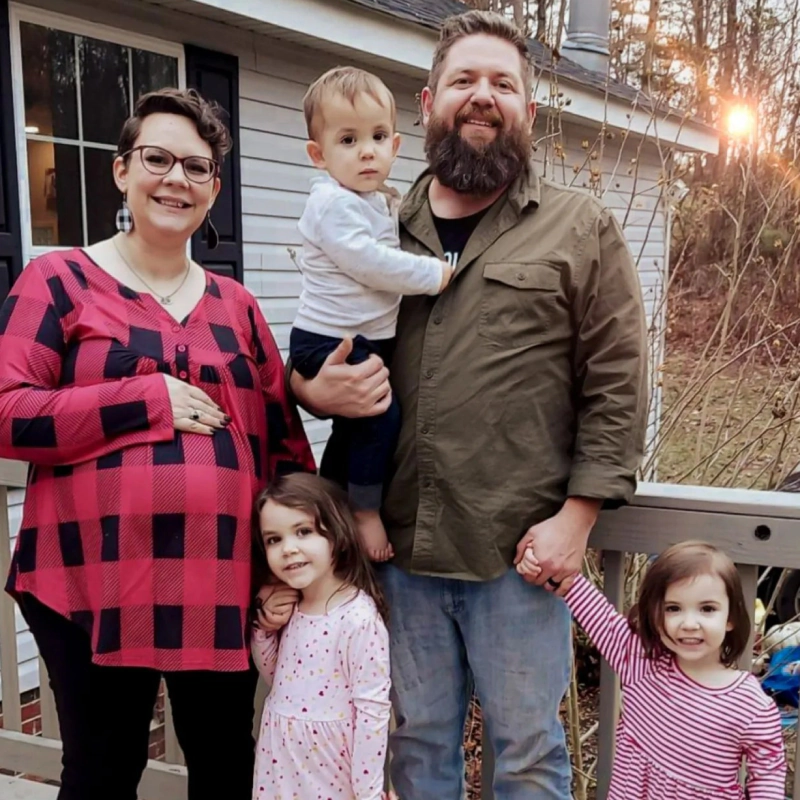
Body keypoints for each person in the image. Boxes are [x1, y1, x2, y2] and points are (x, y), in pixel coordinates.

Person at [290, 10, 648, 799]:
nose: (482, 97)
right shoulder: (380, 221)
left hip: (517, 550)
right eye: (463, 81)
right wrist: (307, 388)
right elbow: (318, 339)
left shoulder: (578, 228)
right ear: (428, 104)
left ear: (527, 108)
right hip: (397, 547)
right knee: (416, 746)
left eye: (503, 84)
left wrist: (577, 518)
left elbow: (618, 383)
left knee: (526, 752)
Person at [0, 88, 314, 800]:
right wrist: (145, 399)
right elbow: (8, 411)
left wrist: (290, 563)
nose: (176, 178)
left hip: (221, 581)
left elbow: (284, 447)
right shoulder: (58, 282)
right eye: (157, 159)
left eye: (196, 168)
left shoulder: (237, 306)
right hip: (90, 579)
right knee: (105, 771)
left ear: (213, 190)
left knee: (226, 766)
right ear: (122, 171)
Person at [290, 66, 452, 561]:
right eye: (348, 139)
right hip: (328, 340)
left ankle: (330, 493)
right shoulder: (333, 204)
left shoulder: (379, 200)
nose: (367, 151)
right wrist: (435, 274)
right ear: (319, 155)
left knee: (354, 426)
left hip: (364, 337)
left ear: (396, 145)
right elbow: (370, 264)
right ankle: (363, 511)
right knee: (381, 416)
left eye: (378, 137)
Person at [518, 541, 787, 798]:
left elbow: (767, 773)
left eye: (707, 609)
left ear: (730, 618)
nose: (689, 623)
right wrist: (548, 563)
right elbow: (596, 611)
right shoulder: (641, 663)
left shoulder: (751, 706)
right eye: (673, 608)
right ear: (655, 616)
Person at [251, 472, 392, 800]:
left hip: (329, 766)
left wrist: (368, 793)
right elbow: (278, 679)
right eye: (274, 539)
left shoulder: (358, 618)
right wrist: (264, 632)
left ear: (337, 533)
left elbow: (372, 712)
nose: (288, 549)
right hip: (281, 759)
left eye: (303, 532)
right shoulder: (292, 606)